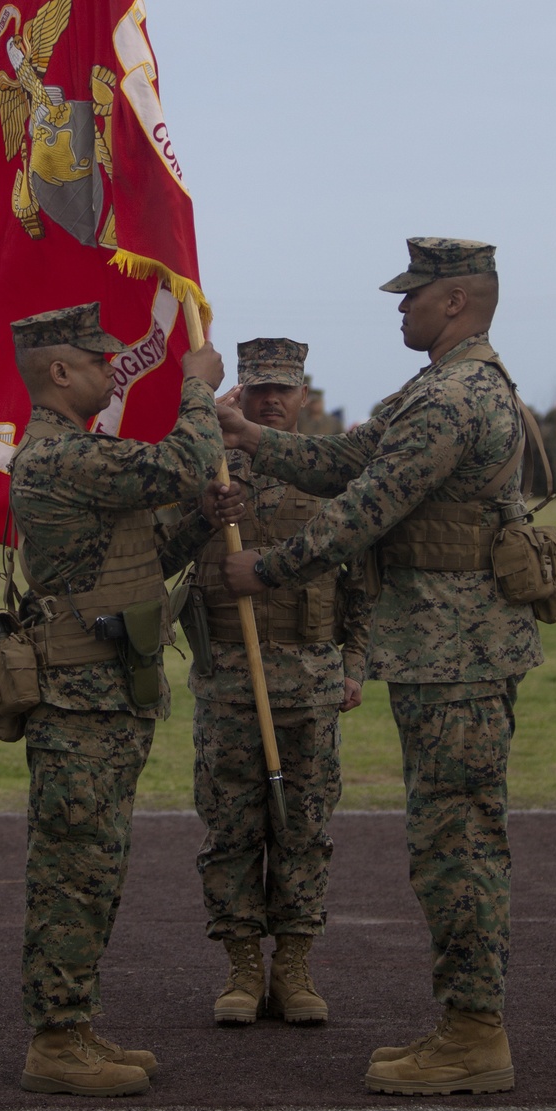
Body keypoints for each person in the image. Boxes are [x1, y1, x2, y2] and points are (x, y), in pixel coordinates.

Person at [220, 238, 544, 1097]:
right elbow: (346, 461)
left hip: (457, 649)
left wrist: (269, 567)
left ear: (454, 302)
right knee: (450, 835)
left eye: (412, 297)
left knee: (457, 842)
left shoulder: (453, 397)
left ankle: (474, 1031)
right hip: (448, 646)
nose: (399, 309)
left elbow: (366, 506)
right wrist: (250, 434)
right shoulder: (444, 389)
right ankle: (466, 1022)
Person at [8, 302, 224, 1098]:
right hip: (79, 700)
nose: (115, 369)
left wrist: (199, 525)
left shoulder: (79, 455)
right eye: (100, 360)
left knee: (96, 867)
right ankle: (55, 1039)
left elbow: (137, 555)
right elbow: (182, 464)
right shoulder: (57, 456)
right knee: (74, 870)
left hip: (107, 692)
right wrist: (197, 391)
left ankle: (75, 1022)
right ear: (59, 371)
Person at [162, 339, 370, 1027]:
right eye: (258, 389)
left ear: (304, 395)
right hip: (229, 680)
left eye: (284, 389)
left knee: (304, 829)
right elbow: (164, 552)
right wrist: (205, 511)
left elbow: (364, 579)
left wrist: (358, 661)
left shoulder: (329, 472)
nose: (272, 400)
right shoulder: (208, 466)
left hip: (310, 680)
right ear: (239, 395)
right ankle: (244, 966)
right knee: (229, 830)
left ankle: (296, 965)